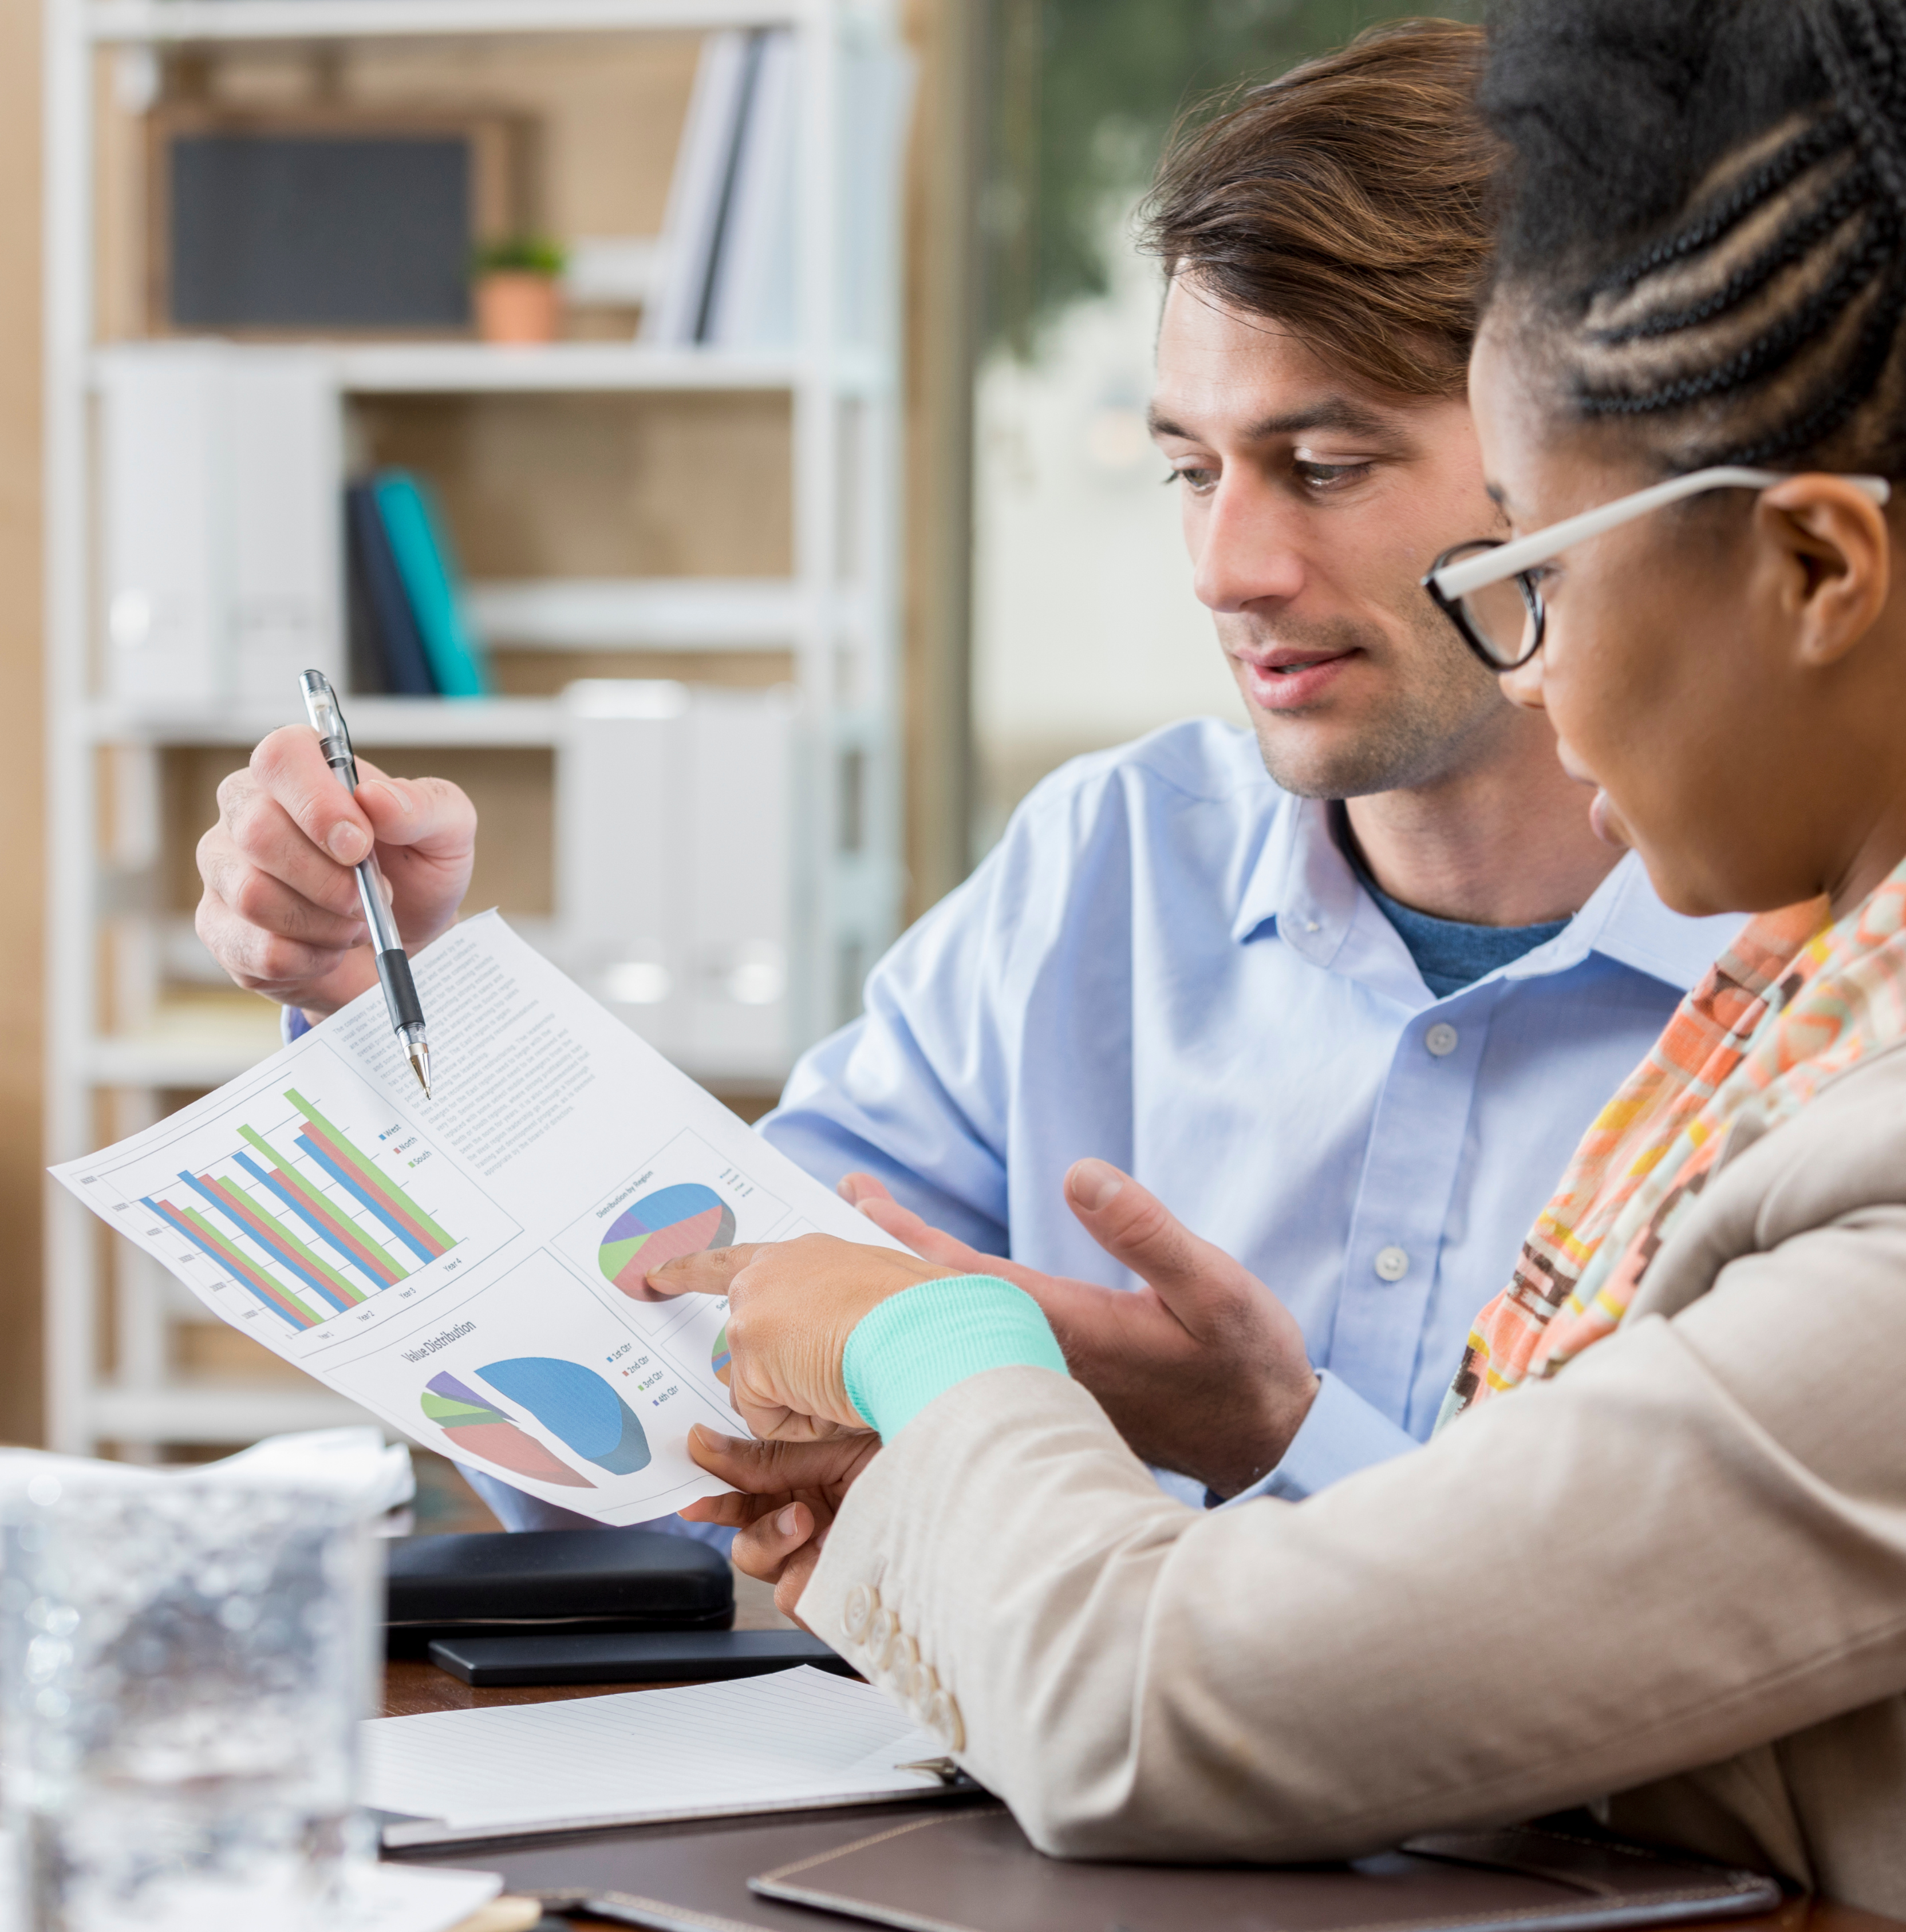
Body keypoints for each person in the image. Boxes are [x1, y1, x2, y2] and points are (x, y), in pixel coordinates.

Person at [654, 0, 1906, 1919]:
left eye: (1537, 572)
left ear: (1820, 570)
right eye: (1188, 469)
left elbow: (1150, 1705)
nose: (1527, 663)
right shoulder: (1798, 1013)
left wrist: (929, 1349)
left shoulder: (1883, 1147)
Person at [192, 21, 1732, 1531]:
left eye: (1324, 468)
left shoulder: (1815, 997)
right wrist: (388, 1003)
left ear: (1584, 462)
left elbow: (1716, 1641)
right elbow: (671, 1421)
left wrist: (1267, 1438)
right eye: (1191, 470)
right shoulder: (1108, 865)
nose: (1225, 569)